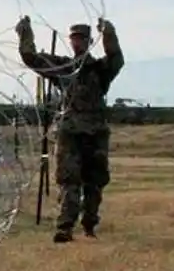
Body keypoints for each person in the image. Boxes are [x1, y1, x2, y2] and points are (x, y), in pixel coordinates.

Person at [16, 16, 124, 243]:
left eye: (82, 38)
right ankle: (65, 227)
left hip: (95, 132)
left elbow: (117, 59)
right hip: (70, 132)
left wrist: (109, 33)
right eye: (74, 38)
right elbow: (32, 58)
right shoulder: (65, 68)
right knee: (68, 180)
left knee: (94, 182)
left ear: (89, 41)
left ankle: (89, 224)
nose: (78, 43)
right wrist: (25, 33)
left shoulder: (100, 69)